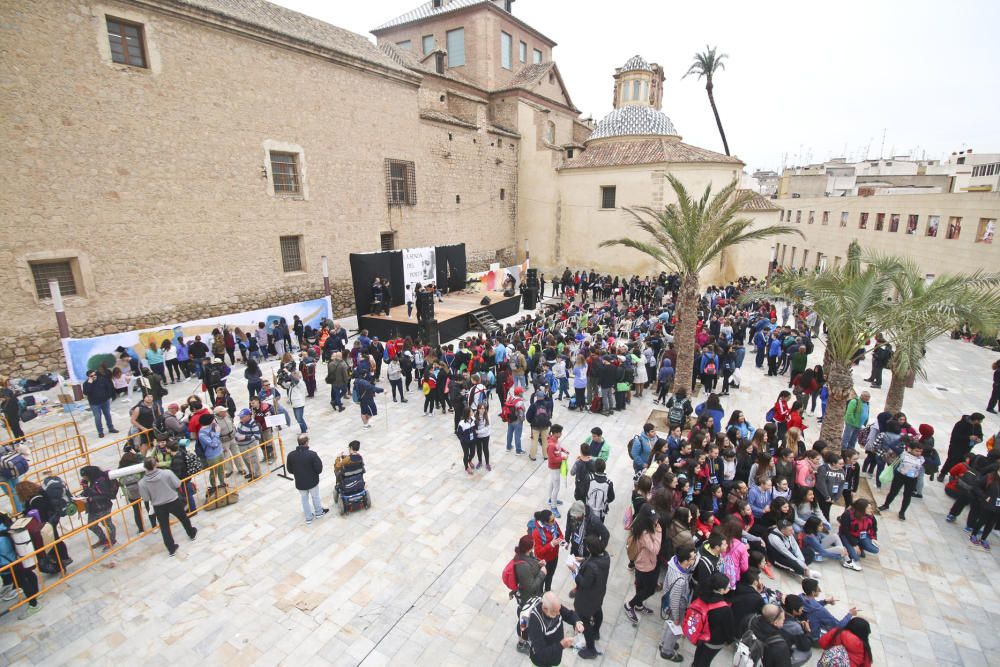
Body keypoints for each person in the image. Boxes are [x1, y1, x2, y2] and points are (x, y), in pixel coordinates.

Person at [137, 457, 197, 556]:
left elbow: (146, 498)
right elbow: (178, 483)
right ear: (156, 464)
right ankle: (191, 533)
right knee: (183, 518)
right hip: (173, 500)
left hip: (158, 506)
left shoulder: (142, 483)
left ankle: (171, 548)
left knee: (164, 527)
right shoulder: (167, 473)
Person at [569, 534, 610, 659]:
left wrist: (575, 571)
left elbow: (584, 584)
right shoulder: (606, 557)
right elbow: (594, 559)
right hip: (598, 593)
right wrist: (584, 559)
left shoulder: (592, 567)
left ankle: (591, 649)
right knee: (598, 610)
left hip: (587, 598)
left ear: (590, 548)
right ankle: (596, 631)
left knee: (585, 622)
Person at [623, 503, 662, 623]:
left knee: (640, 586)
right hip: (645, 564)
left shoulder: (639, 523)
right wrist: (658, 531)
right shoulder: (644, 533)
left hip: (642, 562)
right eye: (654, 519)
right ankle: (630, 605)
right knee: (649, 589)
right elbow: (655, 549)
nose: (656, 521)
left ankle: (639, 605)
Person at [659, 544, 696, 663]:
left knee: (670, 626)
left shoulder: (674, 562)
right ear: (685, 561)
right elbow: (674, 601)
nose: (694, 560)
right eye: (692, 559)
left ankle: (664, 643)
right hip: (677, 607)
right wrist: (676, 617)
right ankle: (667, 651)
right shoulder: (680, 580)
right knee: (674, 628)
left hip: (669, 601)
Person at [526, 591, 584, 667]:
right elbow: (540, 653)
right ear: (545, 608)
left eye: (559, 609)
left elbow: (568, 614)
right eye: (555, 612)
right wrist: (561, 645)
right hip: (542, 663)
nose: (559, 613)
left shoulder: (555, 607)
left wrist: (577, 622)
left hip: (555, 655)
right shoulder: (535, 623)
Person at [691, 572, 736, 667]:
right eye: (728, 587)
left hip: (699, 632)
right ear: (721, 590)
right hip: (713, 640)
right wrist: (730, 640)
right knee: (706, 660)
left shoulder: (702, 594)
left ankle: (695, 664)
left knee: (699, 653)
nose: (729, 588)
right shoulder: (724, 609)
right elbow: (729, 629)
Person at [0, 513, 41, 618]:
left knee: (22, 582)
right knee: (29, 574)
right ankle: (36, 593)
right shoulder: (6, 525)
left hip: (11, 562)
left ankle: (34, 605)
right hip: (19, 557)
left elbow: (4, 552)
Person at [511, 534, 546, 653]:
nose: (535, 545)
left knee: (528, 620)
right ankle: (521, 644)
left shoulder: (526, 556)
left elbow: (531, 570)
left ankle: (528, 636)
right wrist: (542, 574)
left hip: (531, 598)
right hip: (527, 600)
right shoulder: (522, 566)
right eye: (533, 544)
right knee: (523, 622)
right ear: (529, 548)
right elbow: (530, 587)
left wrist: (538, 565)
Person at [878, 437, 925, 520]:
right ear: (910, 449)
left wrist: (932, 451)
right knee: (893, 492)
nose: (919, 453)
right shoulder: (903, 453)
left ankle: (902, 512)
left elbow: (935, 462)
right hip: (900, 476)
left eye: (920, 451)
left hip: (912, 479)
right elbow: (891, 445)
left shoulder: (922, 459)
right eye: (917, 451)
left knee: (907, 496)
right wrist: (900, 439)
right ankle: (886, 505)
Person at [286, 434, 327, 524]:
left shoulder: (291, 455)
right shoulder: (312, 454)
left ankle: (308, 517)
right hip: (312, 481)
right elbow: (319, 469)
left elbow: (290, 470)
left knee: (304, 499)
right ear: (307, 442)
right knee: (315, 497)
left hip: (300, 483)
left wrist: (299, 474)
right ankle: (319, 512)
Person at [79, 466, 118, 551]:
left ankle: (112, 540)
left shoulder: (101, 481)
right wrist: (83, 491)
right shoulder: (90, 481)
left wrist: (91, 499)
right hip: (94, 507)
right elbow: (89, 492)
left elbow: (105, 495)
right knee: (91, 525)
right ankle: (103, 539)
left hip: (103, 507)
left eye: (85, 476)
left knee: (107, 524)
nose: (84, 478)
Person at [937, 413, 985, 482]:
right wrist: (968, 437)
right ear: (976, 420)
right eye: (980, 420)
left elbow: (980, 434)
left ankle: (954, 475)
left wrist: (980, 439)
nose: (981, 422)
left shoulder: (978, 426)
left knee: (961, 461)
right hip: (956, 446)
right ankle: (943, 473)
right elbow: (955, 436)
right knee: (951, 460)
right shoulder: (961, 424)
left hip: (967, 447)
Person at [530, 509, 564, 592]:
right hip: (543, 561)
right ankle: (540, 596)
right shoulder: (536, 533)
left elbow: (560, 534)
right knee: (541, 580)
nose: (554, 521)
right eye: (552, 520)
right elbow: (538, 551)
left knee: (550, 576)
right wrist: (551, 544)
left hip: (554, 556)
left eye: (554, 518)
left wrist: (562, 541)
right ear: (545, 522)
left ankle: (548, 590)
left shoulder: (554, 524)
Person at [837, 499, 877, 570]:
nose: (871, 510)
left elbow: (874, 527)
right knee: (855, 557)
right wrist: (854, 544)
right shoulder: (847, 515)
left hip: (861, 535)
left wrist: (873, 537)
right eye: (869, 508)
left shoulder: (870, 515)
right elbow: (846, 531)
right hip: (847, 536)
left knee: (875, 549)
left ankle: (861, 547)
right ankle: (844, 545)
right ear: (862, 509)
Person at [82, 367, 119, 438]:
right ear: (89, 377)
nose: (94, 376)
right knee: (98, 418)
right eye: (92, 376)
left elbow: (108, 387)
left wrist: (109, 396)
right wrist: (90, 383)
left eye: (94, 374)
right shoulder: (86, 384)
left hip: (105, 401)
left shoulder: (101, 379)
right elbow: (86, 392)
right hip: (95, 403)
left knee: (108, 415)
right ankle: (100, 432)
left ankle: (111, 428)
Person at [781, 595, 815, 667]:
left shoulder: (780, 612)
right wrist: (808, 631)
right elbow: (805, 646)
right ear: (794, 611)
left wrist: (798, 623)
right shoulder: (795, 627)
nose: (802, 610)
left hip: (778, 642)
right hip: (783, 654)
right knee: (807, 653)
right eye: (801, 609)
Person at [545, 425, 569, 516]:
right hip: (554, 467)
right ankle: (553, 507)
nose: (561, 434)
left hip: (556, 467)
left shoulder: (555, 440)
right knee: (557, 487)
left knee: (552, 482)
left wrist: (564, 450)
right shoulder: (551, 445)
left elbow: (558, 448)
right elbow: (552, 459)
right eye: (560, 432)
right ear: (555, 433)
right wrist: (562, 458)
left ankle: (550, 499)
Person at [234, 408, 262, 481]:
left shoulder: (253, 424)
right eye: (240, 417)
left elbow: (257, 436)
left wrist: (245, 437)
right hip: (242, 446)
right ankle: (251, 472)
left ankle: (257, 474)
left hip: (249, 446)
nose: (241, 418)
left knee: (253, 460)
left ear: (248, 416)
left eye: (242, 417)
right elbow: (238, 430)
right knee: (246, 461)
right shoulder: (241, 422)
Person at [505, 386, 527, 454]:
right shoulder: (520, 402)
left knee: (509, 433)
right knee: (517, 435)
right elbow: (521, 413)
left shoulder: (510, 398)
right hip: (517, 421)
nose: (522, 393)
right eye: (522, 392)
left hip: (510, 420)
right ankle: (518, 450)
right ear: (520, 393)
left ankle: (508, 447)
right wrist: (522, 420)